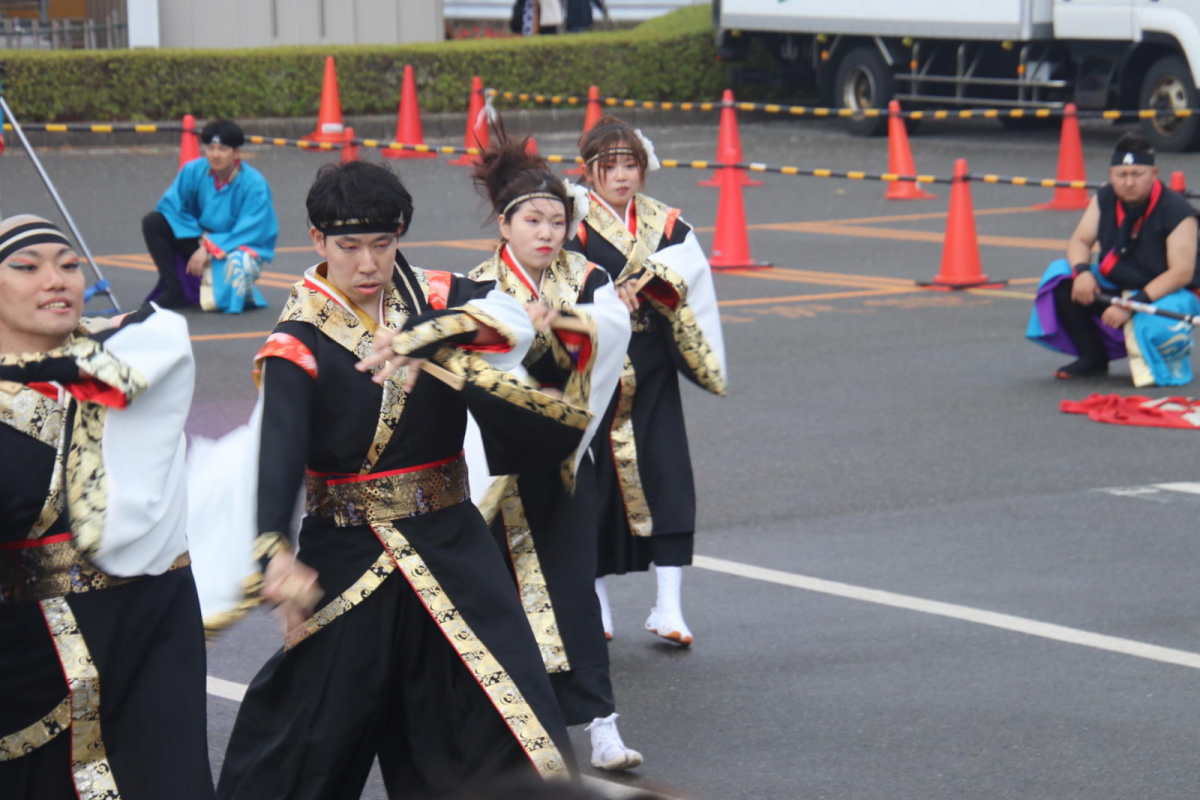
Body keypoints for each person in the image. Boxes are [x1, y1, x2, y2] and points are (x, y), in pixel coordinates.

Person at [217, 161, 586, 800]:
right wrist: (273, 549)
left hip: (451, 544)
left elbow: (515, 323)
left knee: (499, 718)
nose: (367, 263)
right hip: (349, 554)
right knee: (308, 732)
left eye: (382, 245)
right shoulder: (298, 339)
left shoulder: (437, 295)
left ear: (400, 236)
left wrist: (429, 334)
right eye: (349, 247)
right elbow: (278, 447)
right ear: (317, 241)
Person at [0, 216, 212, 798]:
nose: (56, 280)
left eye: (69, 265)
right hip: (29, 663)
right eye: (27, 267)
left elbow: (145, 342)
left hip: (150, 643)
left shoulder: (130, 354)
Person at [466, 132, 639, 770]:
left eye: (558, 220)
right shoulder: (478, 286)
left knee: (571, 591)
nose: (547, 232)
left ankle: (601, 724)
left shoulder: (589, 279)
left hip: (567, 461)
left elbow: (610, 350)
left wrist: (560, 331)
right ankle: (514, 731)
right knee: (497, 602)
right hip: (494, 464)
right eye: (532, 220)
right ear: (505, 224)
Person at [565, 117, 727, 648]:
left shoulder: (667, 222)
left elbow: (692, 272)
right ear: (588, 170)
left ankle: (669, 604)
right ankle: (597, 604)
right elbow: (553, 278)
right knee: (592, 485)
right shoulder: (571, 221)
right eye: (608, 166)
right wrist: (608, 295)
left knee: (667, 473)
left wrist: (658, 281)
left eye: (630, 164)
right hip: (593, 365)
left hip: (653, 364)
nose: (621, 176)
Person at [1027, 133, 1200, 386]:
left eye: (1137, 174)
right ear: (1111, 175)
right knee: (1061, 276)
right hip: (1119, 283)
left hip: (1169, 292)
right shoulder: (1105, 198)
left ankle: (1159, 365)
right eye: (1122, 175)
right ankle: (1093, 357)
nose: (1129, 183)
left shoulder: (1178, 211)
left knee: (1151, 327)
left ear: (1154, 173)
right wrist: (1082, 272)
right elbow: (1080, 241)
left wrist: (1131, 306)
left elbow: (1180, 274)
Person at [143, 119, 279, 314]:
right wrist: (200, 238)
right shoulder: (192, 170)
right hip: (199, 235)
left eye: (223, 149)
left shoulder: (254, 183)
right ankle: (174, 290)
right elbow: (171, 207)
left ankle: (228, 297)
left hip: (235, 243)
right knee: (154, 222)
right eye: (210, 148)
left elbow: (254, 228)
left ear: (237, 152)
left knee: (240, 263)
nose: (215, 155)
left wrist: (210, 246)